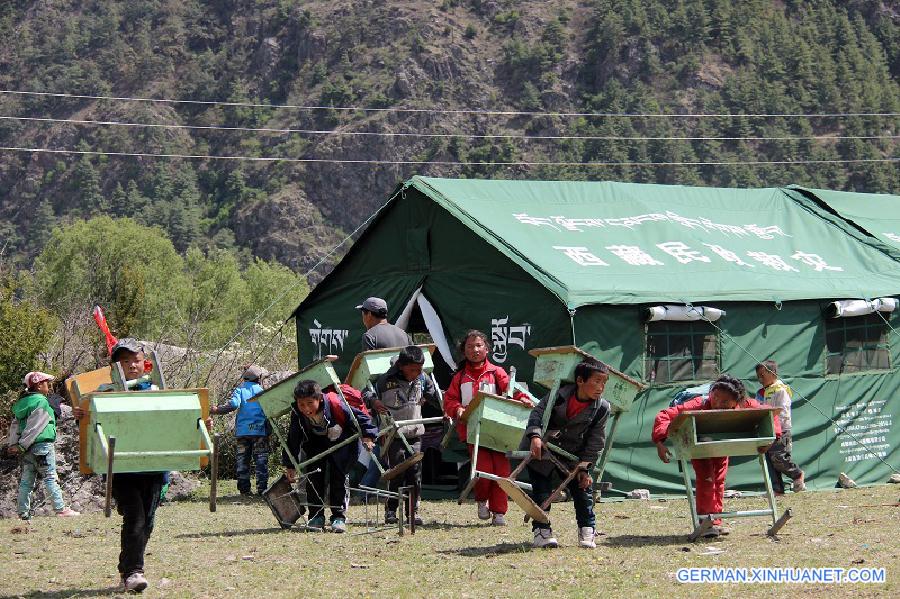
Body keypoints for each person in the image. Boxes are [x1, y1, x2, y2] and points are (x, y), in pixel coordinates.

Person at [73, 338, 176, 593]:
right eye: (125, 361)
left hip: (153, 468)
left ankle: (126, 569)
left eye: (136, 360)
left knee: (147, 522)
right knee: (135, 518)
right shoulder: (105, 392)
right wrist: (82, 417)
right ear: (115, 366)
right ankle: (134, 572)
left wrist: (199, 422)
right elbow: (91, 427)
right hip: (121, 469)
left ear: (145, 364)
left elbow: (176, 421)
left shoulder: (156, 391)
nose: (131, 365)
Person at [652, 374, 780, 538]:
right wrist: (659, 442)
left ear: (737, 401)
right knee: (706, 479)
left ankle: (716, 521)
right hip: (699, 446)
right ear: (711, 393)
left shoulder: (747, 404)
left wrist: (770, 439)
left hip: (723, 445)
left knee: (719, 480)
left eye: (725, 402)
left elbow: (771, 414)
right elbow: (664, 415)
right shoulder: (699, 403)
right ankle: (705, 521)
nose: (718, 403)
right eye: (716, 397)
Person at [443, 330, 531, 526]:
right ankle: (482, 500)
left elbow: (512, 390)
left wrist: (523, 399)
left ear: (487, 349)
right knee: (483, 469)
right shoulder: (460, 377)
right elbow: (449, 400)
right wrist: (457, 409)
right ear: (463, 351)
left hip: (499, 430)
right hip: (474, 432)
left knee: (501, 471)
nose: (474, 350)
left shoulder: (496, 372)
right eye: (470, 346)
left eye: (478, 346)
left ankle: (499, 512)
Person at [522, 358, 610, 549]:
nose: (600, 387)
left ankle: (587, 530)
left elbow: (596, 441)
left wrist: (585, 467)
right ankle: (542, 532)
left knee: (583, 491)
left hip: (573, 455)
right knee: (541, 493)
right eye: (596, 381)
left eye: (604, 383)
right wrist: (535, 437)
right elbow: (537, 413)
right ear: (580, 380)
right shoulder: (558, 395)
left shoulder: (602, 408)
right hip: (544, 449)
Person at [283, 380, 378, 533]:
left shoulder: (336, 403)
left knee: (338, 478)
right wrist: (290, 465)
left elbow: (362, 418)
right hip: (315, 444)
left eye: (309, 403)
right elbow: (293, 438)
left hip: (342, 443)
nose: (306, 409)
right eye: (302, 404)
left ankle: (338, 517)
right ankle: (316, 516)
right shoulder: (297, 413)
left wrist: (368, 436)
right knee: (314, 479)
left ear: (319, 398)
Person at [364, 345, 441, 525]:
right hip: (393, 436)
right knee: (397, 471)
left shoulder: (422, 378)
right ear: (400, 365)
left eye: (419, 369)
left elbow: (435, 397)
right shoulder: (385, 380)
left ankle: (412, 512)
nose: (416, 373)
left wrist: (446, 408)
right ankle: (391, 510)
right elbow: (365, 392)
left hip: (414, 433)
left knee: (415, 473)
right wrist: (374, 401)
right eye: (412, 369)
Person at [6, 371, 80, 520]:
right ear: (39, 385)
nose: (49, 385)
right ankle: (60, 509)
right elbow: (36, 427)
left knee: (27, 480)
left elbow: (15, 426)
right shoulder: (42, 402)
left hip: (26, 449)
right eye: (46, 382)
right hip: (42, 446)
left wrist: (15, 444)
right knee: (50, 477)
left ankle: (23, 513)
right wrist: (22, 444)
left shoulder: (21, 403)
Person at [210, 365, 270, 496]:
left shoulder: (240, 390)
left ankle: (244, 490)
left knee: (242, 460)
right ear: (258, 378)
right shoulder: (262, 390)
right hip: (259, 431)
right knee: (261, 460)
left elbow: (234, 405)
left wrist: (216, 410)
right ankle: (262, 489)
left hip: (243, 432)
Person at [755, 361, 805, 494]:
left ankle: (797, 474)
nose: (760, 379)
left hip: (781, 430)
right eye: (758, 376)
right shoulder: (760, 392)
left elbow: (782, 411)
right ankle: (777, 489)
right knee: (769, 461)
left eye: (762, 375)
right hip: (766, 430)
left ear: (773, 373)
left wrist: (775, 423)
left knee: (779, 457)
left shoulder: (780, 389)